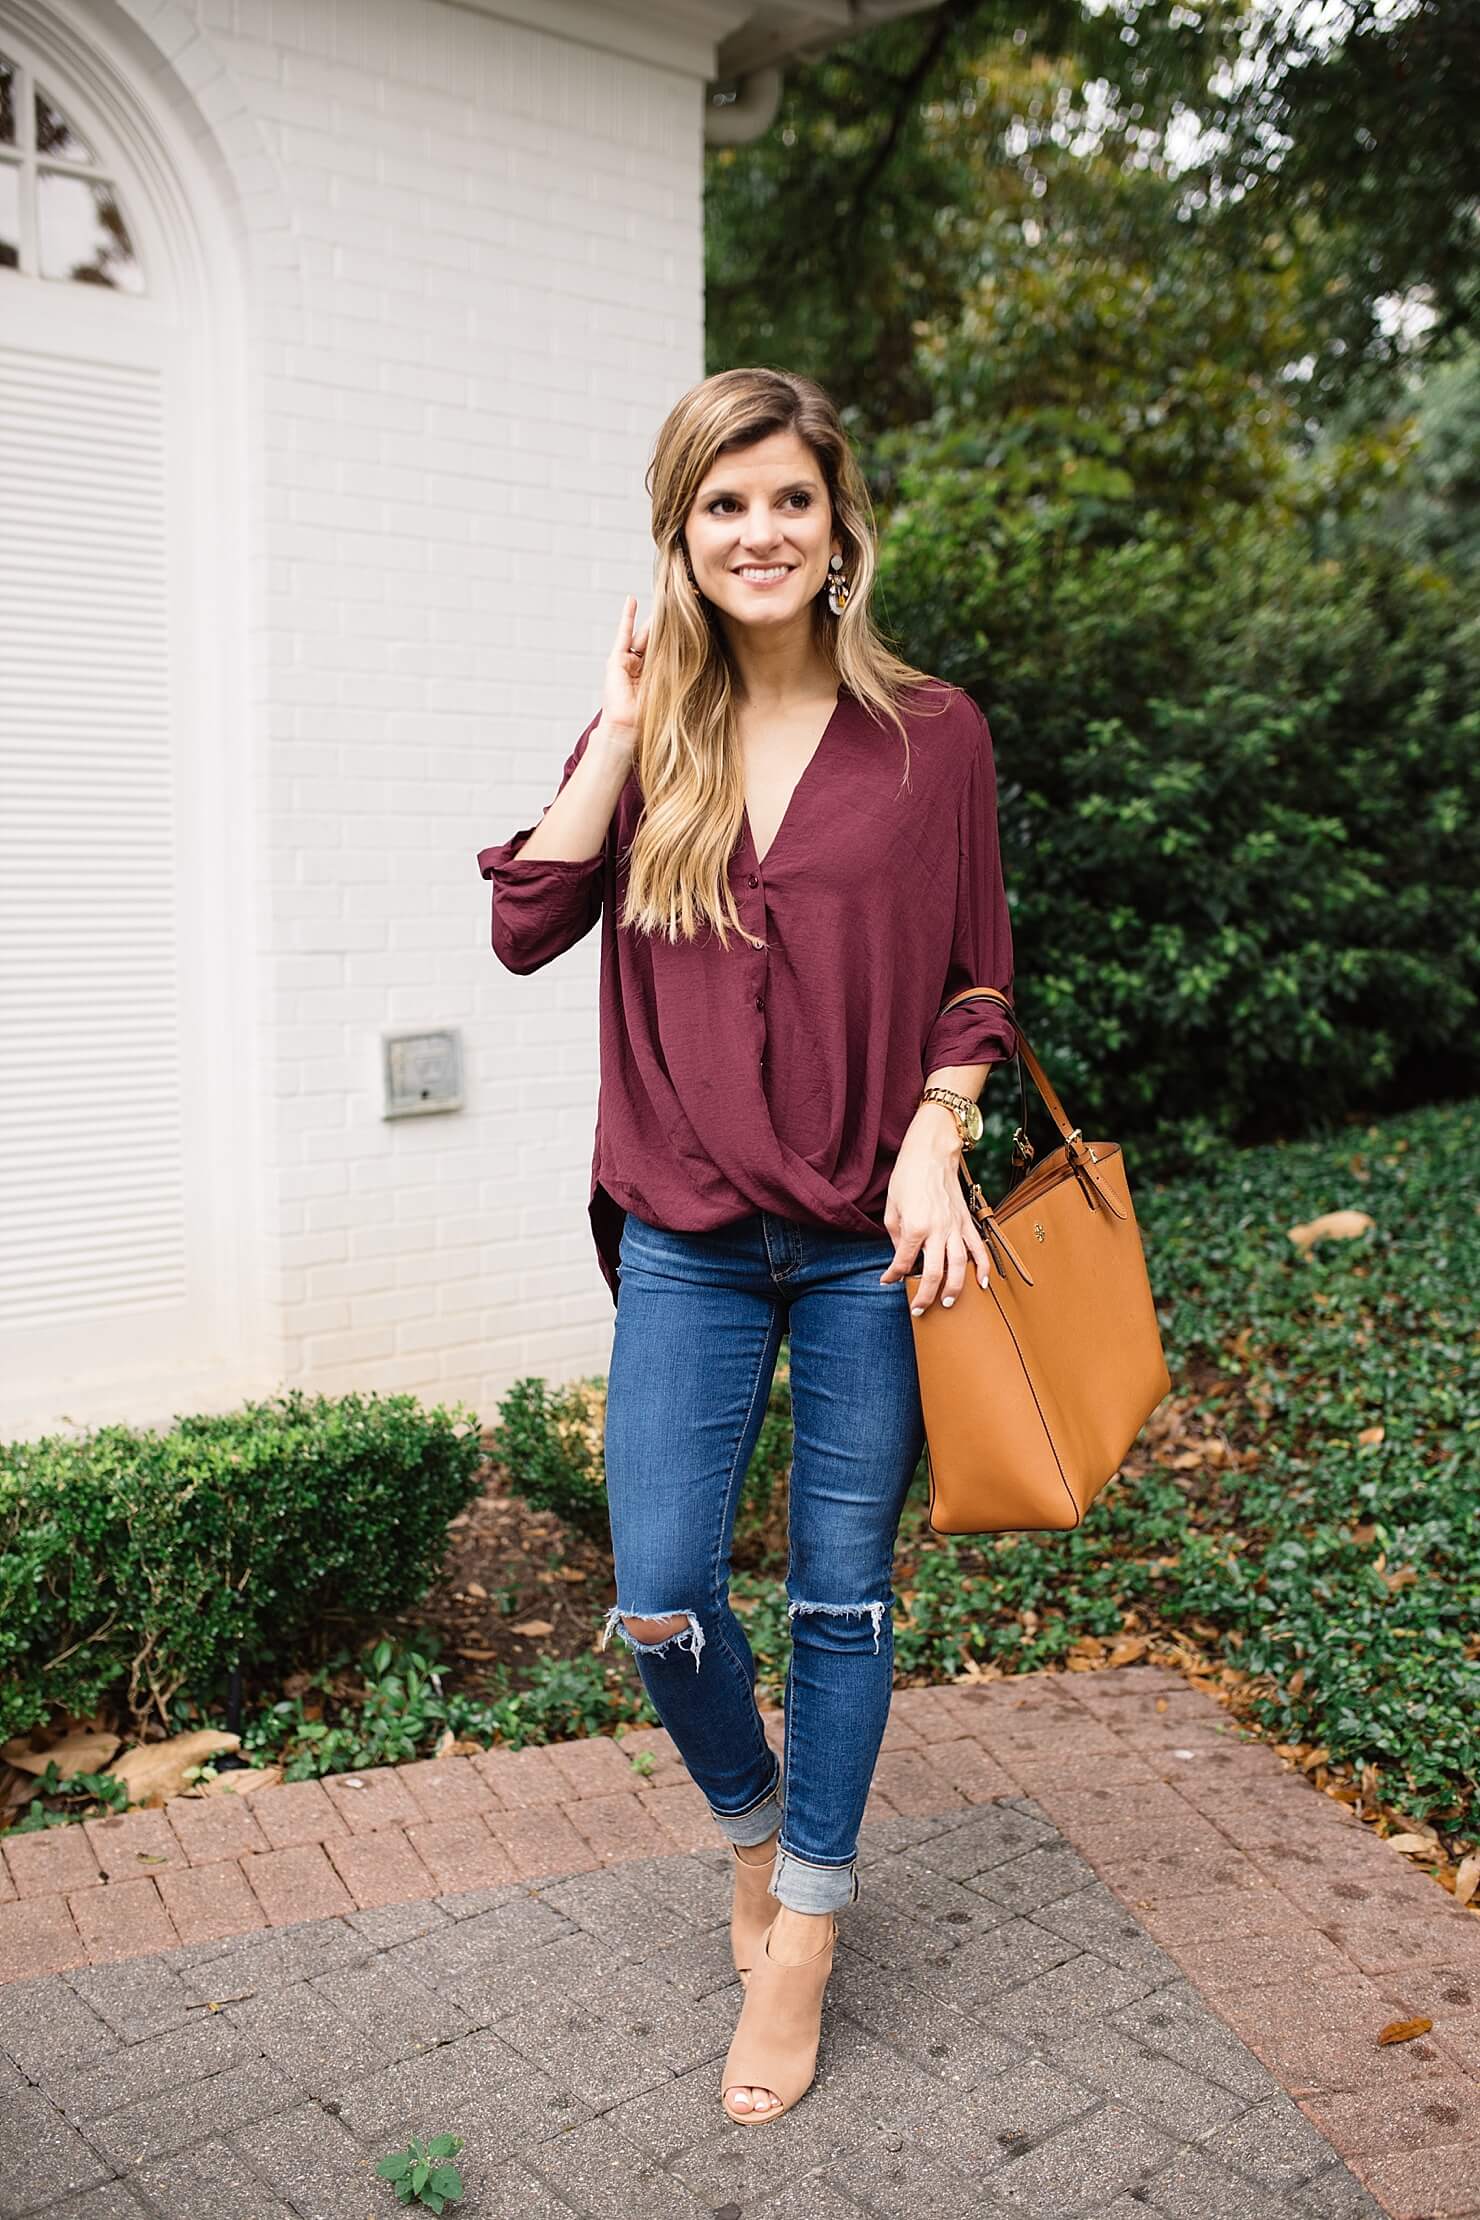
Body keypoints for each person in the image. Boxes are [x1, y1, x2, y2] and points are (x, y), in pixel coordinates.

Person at [477, 367, 1016, 2125]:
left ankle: (803, 1935)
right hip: (691, 1235)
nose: (761, 533)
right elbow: (526, 926)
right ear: (682, 537)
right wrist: (623, 723)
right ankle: (757, 1825)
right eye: (724, 507)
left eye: (789, 500)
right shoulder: (655, 738)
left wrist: (939, 1131)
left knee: (845, 1604)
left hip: (871, 1239)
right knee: (657, 1595)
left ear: (840, 523)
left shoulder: (935, 735)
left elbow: (979, 977)